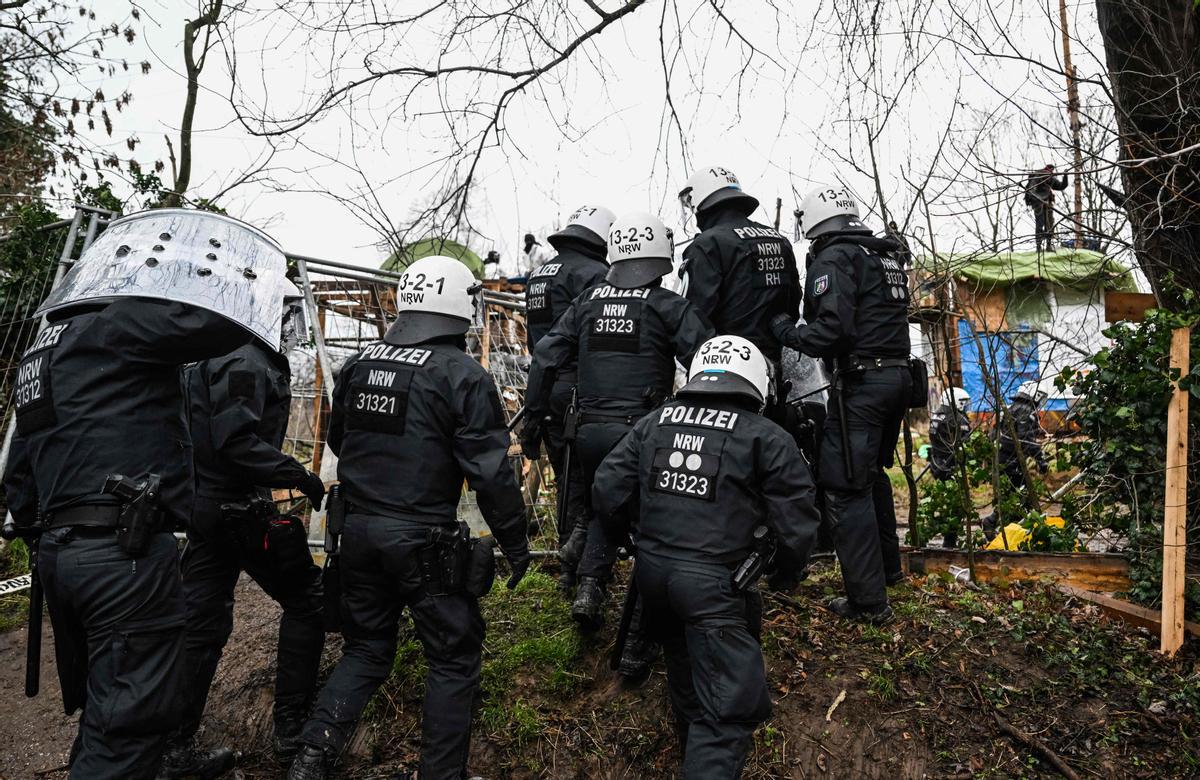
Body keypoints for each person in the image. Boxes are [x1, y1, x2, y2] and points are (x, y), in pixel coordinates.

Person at [1, 209, 298, 779]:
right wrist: (239, 283)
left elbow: (20, 470)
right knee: (126, 729)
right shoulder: (116, 321)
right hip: (122, 555)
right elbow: (219, 325)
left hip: (63, 553)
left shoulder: (45, 345)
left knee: (107, 712)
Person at [288, 255, 531, 780]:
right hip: (423, 542)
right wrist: (515, 541)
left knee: (368, 648)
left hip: (354, 533)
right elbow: (490, 473)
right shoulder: (462, 375)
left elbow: (338, 440)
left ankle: (310, 758)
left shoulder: (359, 365)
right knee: (453, 657)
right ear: (460, 307)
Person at [592, 335, 821, 777]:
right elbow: (798, 525)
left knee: (691, 691)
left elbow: (607, 490)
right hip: (715, 590)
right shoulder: (766, 436)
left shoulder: (655, 422)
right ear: (757, 381)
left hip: (653, 580)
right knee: (726, 713)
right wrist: (785, 575)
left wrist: (635, 538)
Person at [522, 211, 713, 677]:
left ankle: (587, 582)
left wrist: (531, 419)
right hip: (642, 434)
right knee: (653, 534)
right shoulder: (667, 305)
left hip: (586, 432)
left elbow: (545, 357)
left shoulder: (587, 301)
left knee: (603, 506)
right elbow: (708, 362)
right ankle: (634, 647)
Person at [164, 296, 328, 775]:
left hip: (206, 506)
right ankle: (290, 729)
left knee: (201, 624)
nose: (291, 327)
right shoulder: (246, 361)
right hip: (235, 506)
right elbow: (236, 442)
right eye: (285, 314)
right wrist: (297, 473)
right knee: (308, 599)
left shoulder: (208, 354)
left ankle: (173, 747)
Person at [771, 183, 911, 624]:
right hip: (899, 378)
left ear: (815, 221)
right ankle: (889, 573)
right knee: (870, 477)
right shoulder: (883, 254)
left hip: (864, 384)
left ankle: (868, 603)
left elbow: (829, 331)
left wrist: (786, 332)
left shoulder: (836, 257)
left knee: (844, 484)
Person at [523, 205, 616, 590]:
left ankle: (567, 567)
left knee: (564, 479)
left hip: (545, 386)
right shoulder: (593, 273)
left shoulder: (538, 274)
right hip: (583, 387)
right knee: (588, 479)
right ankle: (580, 570)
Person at [677, 165, 801, 408]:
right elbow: (792, 307)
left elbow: (693, 319)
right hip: (772, 373)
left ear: (700, 201)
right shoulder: (780, 241)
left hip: (725, 378)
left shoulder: (707, 244)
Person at [928, 387, 971, 548]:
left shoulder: (936, 414)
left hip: (937, 464)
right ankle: (950, 540)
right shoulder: (957, 418)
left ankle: (947, 536)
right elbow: (966, 444)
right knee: (956, 505)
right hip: (951, 466)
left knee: (944, 501)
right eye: (963, 403)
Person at [997, 381, 1048, 490]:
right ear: (1036, 394)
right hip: (1012, 458)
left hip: (1004, 456)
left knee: (1009, 492)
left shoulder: (1013, 407)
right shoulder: (1025, 410)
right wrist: (1041, 459)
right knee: (1019, 492)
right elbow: (1025, 438)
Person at [1023, 165, 1068, 252]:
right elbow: (1031, 189)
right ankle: (1038, 247)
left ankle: (1048, 245)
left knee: (1050, 223)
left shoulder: (1051, 178)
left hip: (1048, 202)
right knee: (1040, 224)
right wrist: (1039, 199)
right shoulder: (1038, 175)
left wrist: (1065, 176)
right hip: (1038, 202)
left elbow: (1062, 186)